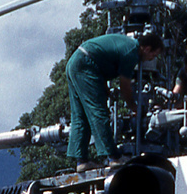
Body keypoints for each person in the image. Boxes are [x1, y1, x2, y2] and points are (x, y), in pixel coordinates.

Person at [66, 31, 164, 171]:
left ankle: (81, 161)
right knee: (98, 112)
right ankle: (113, 157)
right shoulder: (131, 53)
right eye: (153, 55)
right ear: (147, 48)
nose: (150, 59)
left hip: (76, 63)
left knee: (80, 114)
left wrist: (103, 87)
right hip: (85, 65)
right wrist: (134, 107)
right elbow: (125, 86)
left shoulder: (128, 46)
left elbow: (101, 60)